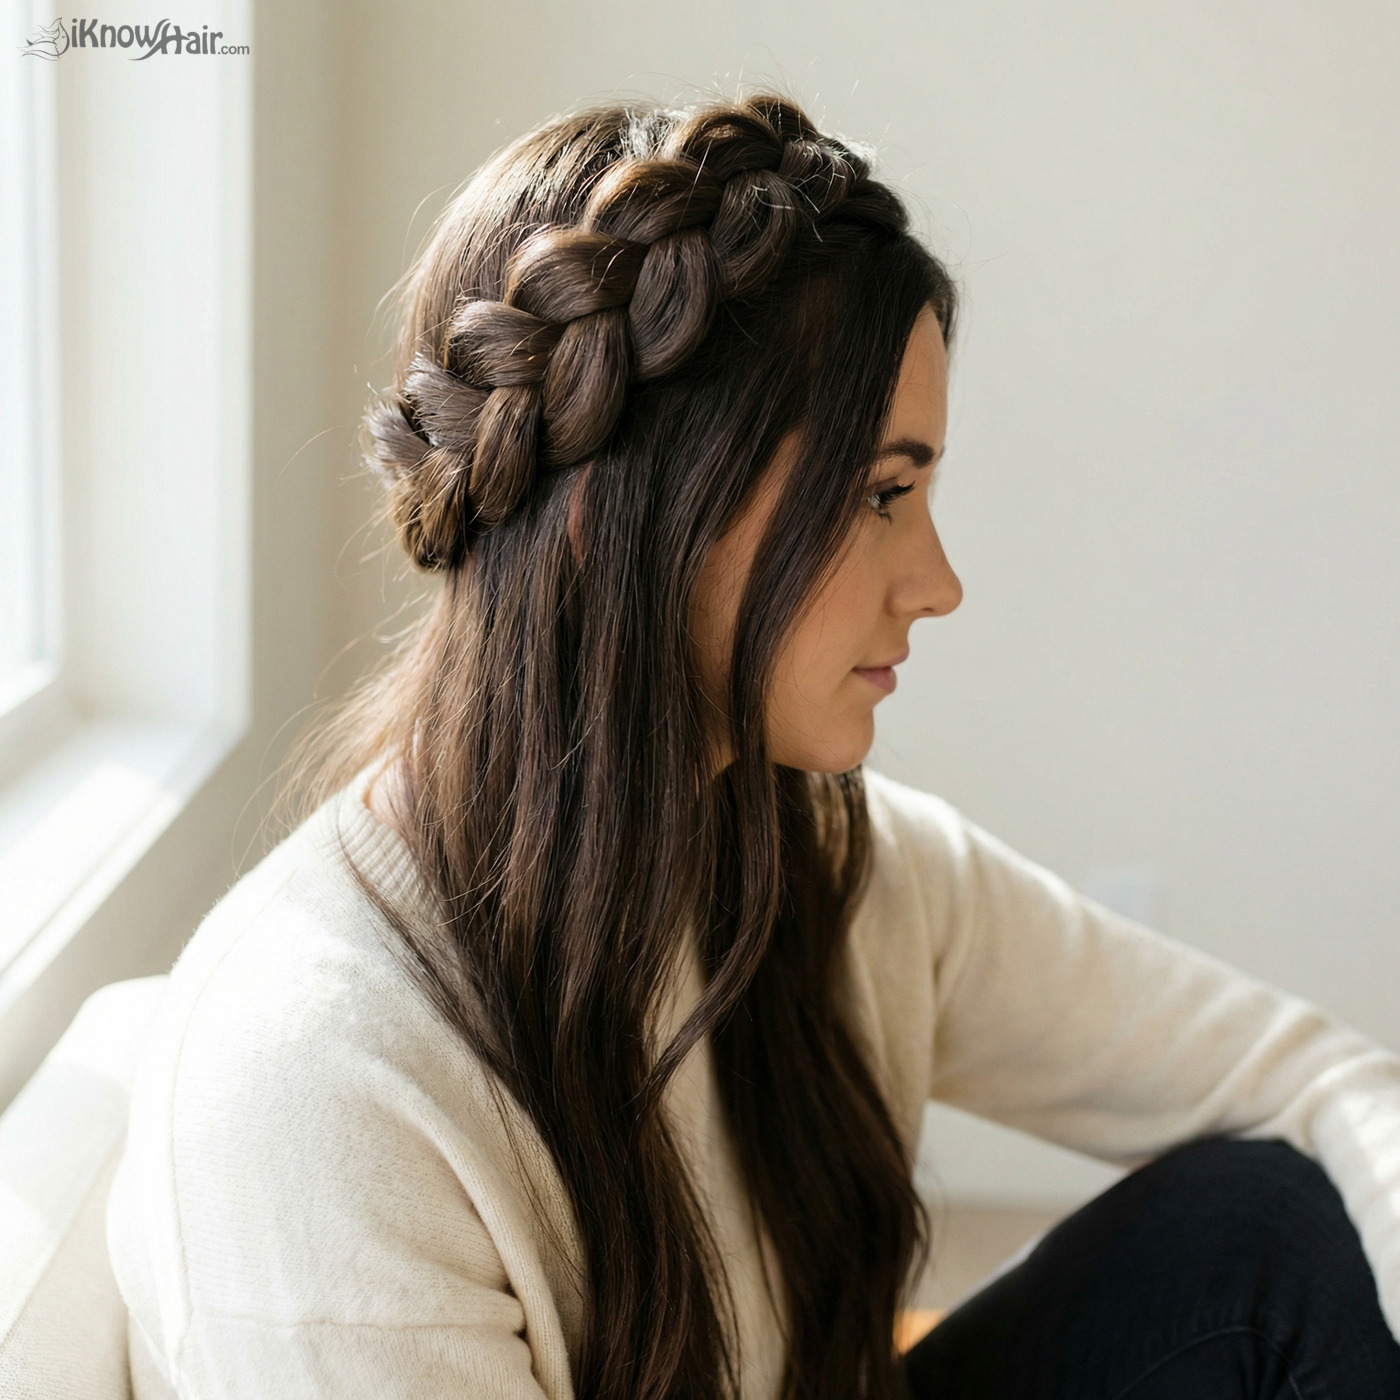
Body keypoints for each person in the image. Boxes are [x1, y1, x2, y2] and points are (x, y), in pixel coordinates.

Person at [107, 94, 1400, 1399]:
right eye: (881, 495)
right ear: (628, 517)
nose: (939, 583)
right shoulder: (323, 1090)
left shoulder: (848, 870)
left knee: (1267, 1229)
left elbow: (1320, 1081)